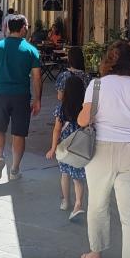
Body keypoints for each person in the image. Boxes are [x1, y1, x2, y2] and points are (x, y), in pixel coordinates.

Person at [78, 41, 130, 258]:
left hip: (101, 149)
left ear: (107, 61)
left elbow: (83, 120)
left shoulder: (96, 85)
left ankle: (95, 255)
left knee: (97, 205)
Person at [0, 15, 42, 182]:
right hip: (21, 96)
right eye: (27, 26)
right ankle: (14, 169)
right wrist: (37, 99)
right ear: (22, 28)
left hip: (0, 94)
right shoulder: (31, 50)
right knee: (19, 133)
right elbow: (37, 78)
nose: (28, 28)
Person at [46, 73, 87, 222]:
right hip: (79, 147)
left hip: (64, 148)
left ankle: (65, 201)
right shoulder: (85, 108)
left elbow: (57, 130)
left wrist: (53, 148)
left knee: (64, 174)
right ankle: (78, 204)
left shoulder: (62, 108)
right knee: (78, 177)